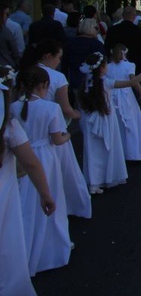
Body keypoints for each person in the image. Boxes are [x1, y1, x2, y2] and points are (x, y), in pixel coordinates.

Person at [0, 67, 56, 296]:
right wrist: (45, 194)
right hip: (4, 195)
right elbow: (31, 163)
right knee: (7, 245)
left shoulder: (13, 117)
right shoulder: (9, 127)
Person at [12, 67, 72, 276]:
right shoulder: (50, 108)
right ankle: (51, 247)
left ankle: (23, 249)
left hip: (19, 159)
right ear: (44, 86)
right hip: (45, 157)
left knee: (24, 202)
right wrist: (67, 136)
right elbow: (57, 138)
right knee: (51, 197)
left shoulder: (11, 108)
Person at [20, 40, 91, 219]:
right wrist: (77, 114)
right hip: (52, 133)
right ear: (48, 56)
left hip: (24, 138)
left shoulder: (23, 74)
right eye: (58, 57)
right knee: (62, 176)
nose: (60, 61)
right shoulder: (57, 78)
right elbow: (65, 108)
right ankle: (68, 207)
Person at [79, 52, 141, 194]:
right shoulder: (106, 82)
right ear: (102, 68)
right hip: (106, 117)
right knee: (108, 148)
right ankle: (108, 177)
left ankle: (93, 182)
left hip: (90, 118)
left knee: (92, 150)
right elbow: (131, 82)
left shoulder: (86, 82)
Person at [106, 44, 141, 161]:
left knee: (117, 123)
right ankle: (133, 152)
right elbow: (134, 82)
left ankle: (119, 152)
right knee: (131, 123)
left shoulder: (108, 67)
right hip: (126, 96)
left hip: (112, 96)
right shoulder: (129, 65)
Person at [62, 18, 106, 91]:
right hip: (92, 81)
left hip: (74, 80)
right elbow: (102, 64)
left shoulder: (70, 43)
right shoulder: (97, 45)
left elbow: (64, 64)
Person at [104, 6, 141, 74]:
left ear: (123, 16)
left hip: (116, 63)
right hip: (135, 65)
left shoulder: (112, 30)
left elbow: (107, 48)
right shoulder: (139, 31)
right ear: (134, 16)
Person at [0, 3, 20, 69]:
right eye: (6, 14)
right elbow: (15, 52)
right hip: (5, 66)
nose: (7, 17)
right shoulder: (4, 31)